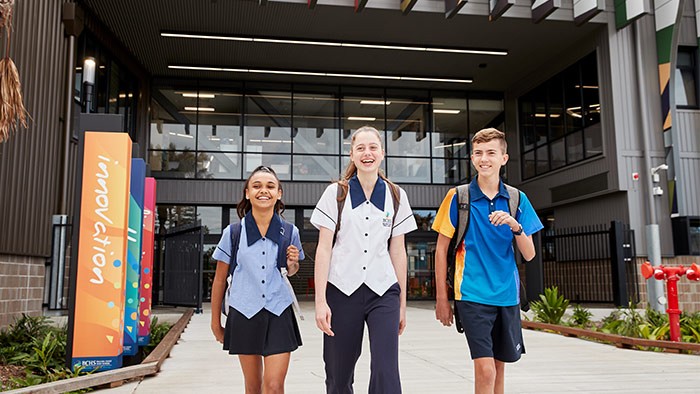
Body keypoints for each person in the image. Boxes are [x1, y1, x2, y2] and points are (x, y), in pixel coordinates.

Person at [432, 128, 543, 394]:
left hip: (507, 296)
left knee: (499, 368)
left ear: (504, 158)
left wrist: (516, 227)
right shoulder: (458, 197)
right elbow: (440, 250)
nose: (485, 158)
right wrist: (442, 299)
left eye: (491, 153)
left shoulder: (517, 199)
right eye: (479, 153)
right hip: (471, 294)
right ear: (472, 158)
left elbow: (529, 254)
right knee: (485, 369)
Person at [311, 126, 417, 394]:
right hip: (342, 290)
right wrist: (321, 301)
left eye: (372, 148)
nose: (367, 153)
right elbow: (324, 249)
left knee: (386, 370)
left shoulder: (396, 195)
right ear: (351, 154)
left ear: (382, 152)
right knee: (338, 372)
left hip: (384, 291)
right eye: (361, 148)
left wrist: (402, 305)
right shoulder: (336, 193)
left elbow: (398, 252)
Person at [210, 165, 304, 394]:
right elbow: (220, 280)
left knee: (273, 386)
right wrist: (215, 323)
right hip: (244, 312)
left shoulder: (290, 232)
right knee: (253, 387)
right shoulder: (232, 233)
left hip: (279, 311)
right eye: (257, 186)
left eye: (271, 186)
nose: (264, 190)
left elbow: (290, 271)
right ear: (247, 193)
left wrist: (293, 264)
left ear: (279, 193)